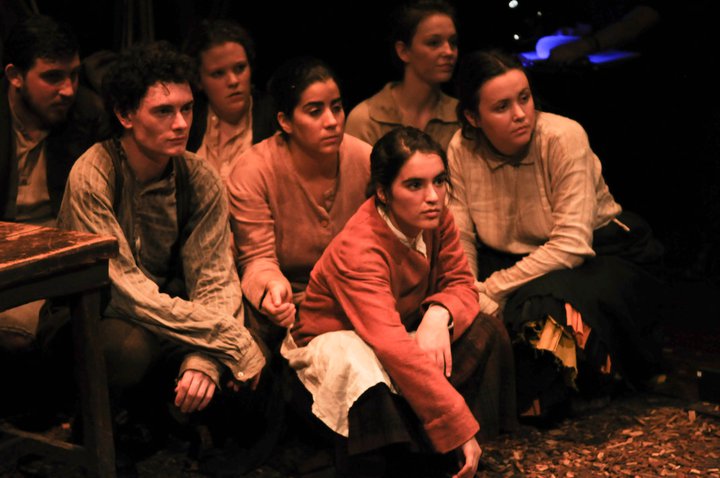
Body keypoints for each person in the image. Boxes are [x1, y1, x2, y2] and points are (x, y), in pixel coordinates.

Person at [55, 43, 265, 440]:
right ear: (125, 115)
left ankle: (164, 419)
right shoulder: (94, 174)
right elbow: (125, 292)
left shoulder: (198, 177)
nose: (181, 123)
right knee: (130, 349)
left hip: (168, 312)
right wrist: (224, 337)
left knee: (249, 357)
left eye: (187, 108)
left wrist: (205, 357)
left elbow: (215, 277)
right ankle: (96, 429)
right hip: (94, 314)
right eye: (164, 111)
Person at [283, 126, 516, 478]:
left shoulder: (437, 218)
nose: (433, 196)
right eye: (415, 185)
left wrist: (439, 314)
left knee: (485, 328)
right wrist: (456, 424)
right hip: (335, 347)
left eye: (439, 181)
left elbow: (461, 283)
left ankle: (458, 451)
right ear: (383, 192)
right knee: (360, 366)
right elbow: (390, 344)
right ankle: (415, 457)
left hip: (397, 332)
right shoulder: (359, 248)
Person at [448, 50, 665, 418]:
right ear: (473, 117)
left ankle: (576, 387)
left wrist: (493, 289)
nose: (520, 114)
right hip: (512, 259)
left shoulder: (562, 137)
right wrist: (469, 293)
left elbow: (570, 245)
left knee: (542, 312)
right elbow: (461, 235)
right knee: (450, 304)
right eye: (501, 107)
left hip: (594, 255)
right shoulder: (461, 146)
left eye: (524, 98)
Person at [227, 57, 371, 349]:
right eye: (315, 111)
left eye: (336, 108)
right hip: (288, 306)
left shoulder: (365, 159)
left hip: (356, 299)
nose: (332, 121)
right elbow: (257, 258)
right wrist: (272, 288)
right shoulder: (255, 170)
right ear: (285, 121)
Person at [0, 15, 109, 352]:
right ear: (15, 76)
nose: (68, 90)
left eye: (74, 74)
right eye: (52, 77)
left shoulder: (88, 115)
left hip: (59, 263)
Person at [345, 0, 459, 150]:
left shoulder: (461, 116)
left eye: (453, 42)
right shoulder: (366, 119)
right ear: (403, 51)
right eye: (434, 43)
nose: (449, 52)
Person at [184, 19, 276, 181]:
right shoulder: (187, 123)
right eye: (218, 73)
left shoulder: (275, 116)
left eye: (240, 68)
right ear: (199, 81)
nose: (233, 81)